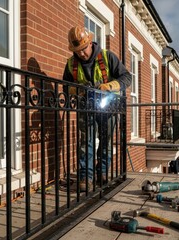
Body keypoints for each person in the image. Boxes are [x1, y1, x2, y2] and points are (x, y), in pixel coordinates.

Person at [63, 26, 131, 191]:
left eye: (83, 49)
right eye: (77, 51)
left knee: (106, 141)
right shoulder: (71, 63)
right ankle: (86, 177)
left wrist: (110, 86)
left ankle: (101, 172)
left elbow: (127, 77)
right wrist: (77, 90)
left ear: (90, 43)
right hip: (86, 108)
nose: (81, 54)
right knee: (86, 142)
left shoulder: (107, 57)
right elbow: (65, 86)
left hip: (108, 107)